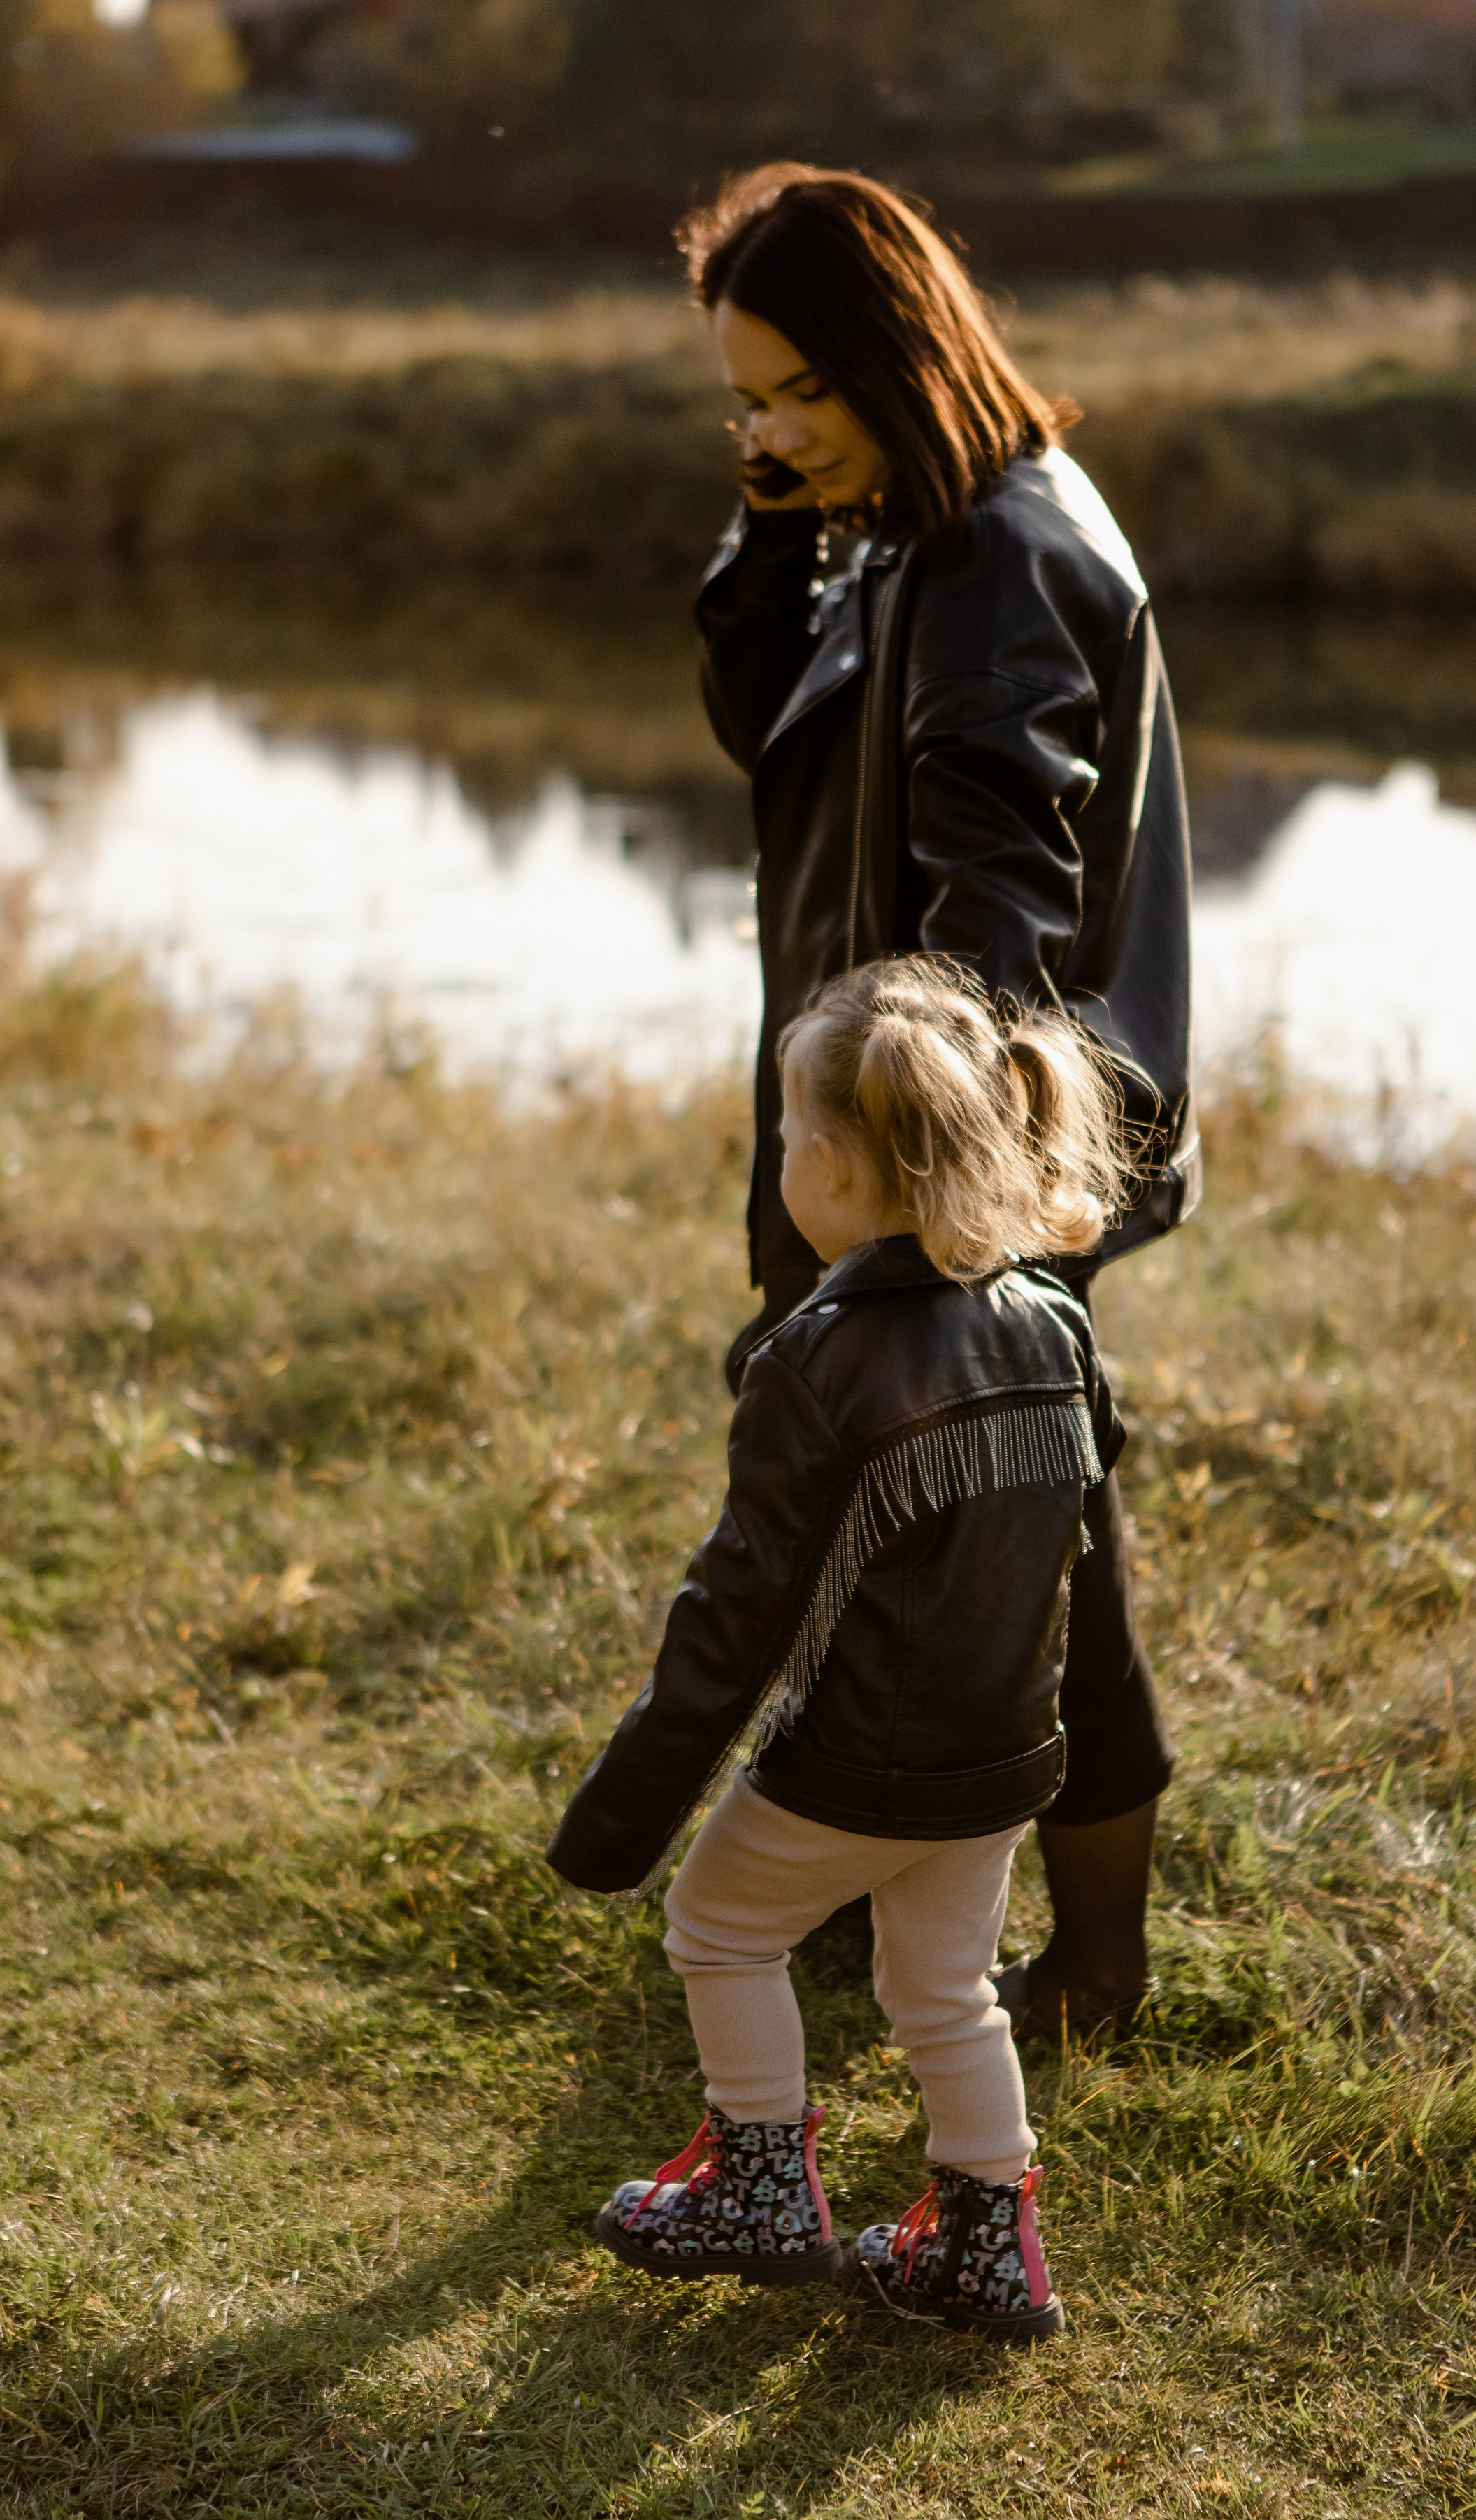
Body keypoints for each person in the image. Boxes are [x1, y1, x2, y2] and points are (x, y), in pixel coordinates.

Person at [682, 164, 1198, 2035]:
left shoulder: (1000, 556)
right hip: (870, 1137)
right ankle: (865, 1878)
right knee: (880, 1521)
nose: (763, 426)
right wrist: (772, 522)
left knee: (1038, 1540)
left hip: (958, 1153)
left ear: (889, 359)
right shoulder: (909, 518)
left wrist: (922, 1195)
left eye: (792, 393)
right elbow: (771, 738)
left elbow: (1003, 909)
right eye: (740, 396)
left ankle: (1104, 1960)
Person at [547, 957, 1135, 2340]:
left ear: (827, 1167)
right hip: (1002, 1760)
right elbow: (1080, 1556)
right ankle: (986, 2243)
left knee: (719, 1928)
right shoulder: (1053, 1323)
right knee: (942, 1990)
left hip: (850, 1762)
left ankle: (760, 2185)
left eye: (785, 1137)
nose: (780, 1163)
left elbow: (733, 1615)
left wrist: (623, 1813)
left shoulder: (813, 1361)